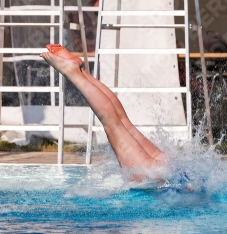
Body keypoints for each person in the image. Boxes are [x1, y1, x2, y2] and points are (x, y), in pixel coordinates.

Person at [40, 44, 166, 177]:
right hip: (156, 176)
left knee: (123, 123)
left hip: (167, 166)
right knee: (114, 124)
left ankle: (81, 72)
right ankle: (73, 72)